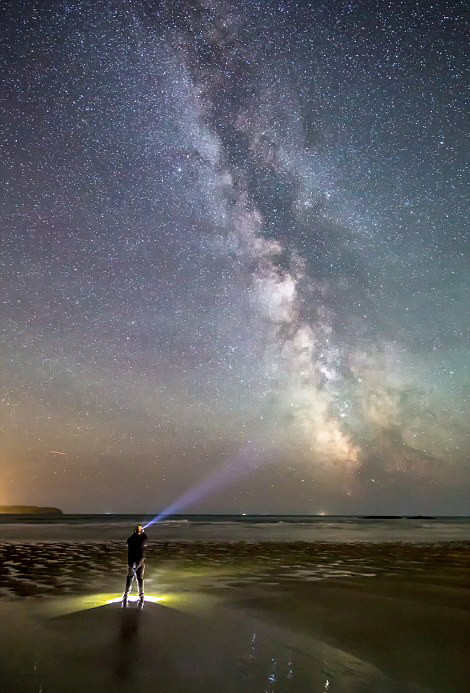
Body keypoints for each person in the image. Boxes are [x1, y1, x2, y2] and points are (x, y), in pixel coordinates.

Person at [122, 524, 148, 608]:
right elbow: (144, 540)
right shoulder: (143, 538)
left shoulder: (131, 539)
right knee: (138, 578)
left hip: (134, 560)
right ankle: (141, 596)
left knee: (130, 577)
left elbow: (128, 542)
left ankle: (126, 595)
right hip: (139, 560)